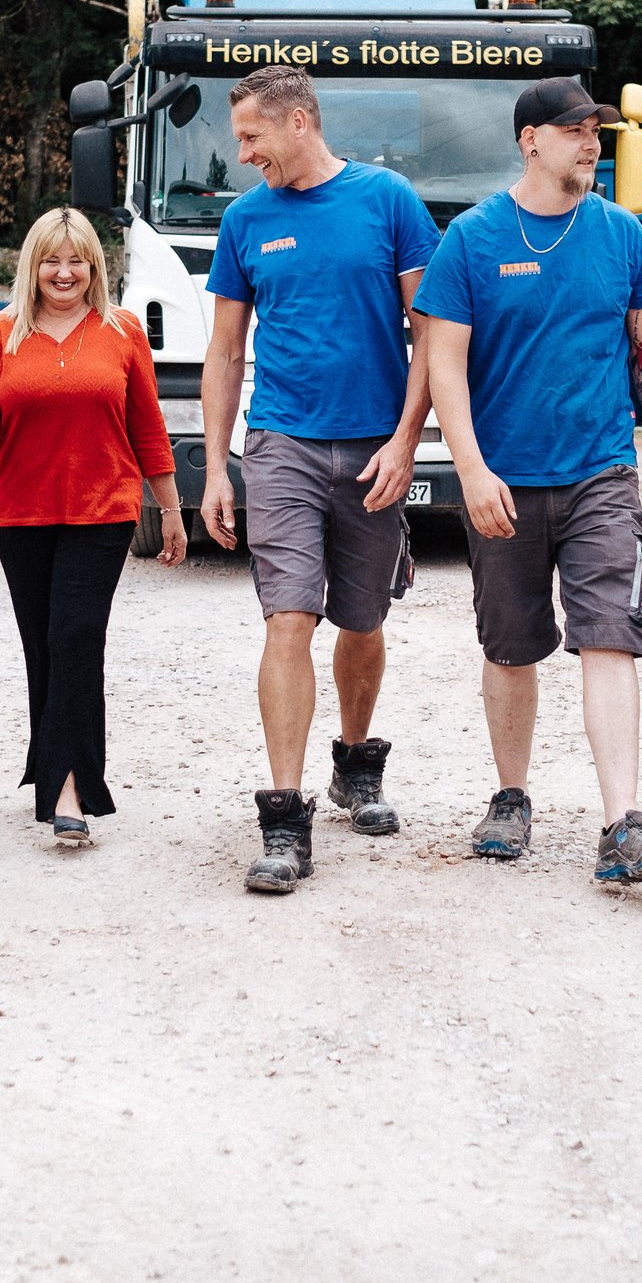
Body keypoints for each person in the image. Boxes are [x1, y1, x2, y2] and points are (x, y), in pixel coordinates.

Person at [414, 74, 642, 886]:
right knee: (511, 645)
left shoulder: (622, 236)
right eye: (574, 130)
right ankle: (510, 797)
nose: (590, 141)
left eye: (595, 131)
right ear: (529, 140)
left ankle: (623, 825)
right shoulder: (471, 238)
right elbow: (444, 362)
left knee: (610, 634)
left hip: (601, 472)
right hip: (504, 476)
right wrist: (469, 467)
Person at [198, 64, 439, 894]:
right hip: (282, 447)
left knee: (363, 620)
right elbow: (227, 350)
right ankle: (284, 815)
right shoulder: (246, 221)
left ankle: (356, 762)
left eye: (251, 137)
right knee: (288, 619)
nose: (244, 155)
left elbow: (430, 333)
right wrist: (218, 465)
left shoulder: (389, 202)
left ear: (298, 122)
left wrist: (408, 441)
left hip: (373, 446)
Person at [0, 207, 185, 845]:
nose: (64, 273)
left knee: (75, 637)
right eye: (51, 260)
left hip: (103, 509)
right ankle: (50, 761)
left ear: (94, 266)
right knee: (42, 645)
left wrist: (169, 509)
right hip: (23, 514)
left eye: (77, 259)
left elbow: (147, 427)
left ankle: (70, 789)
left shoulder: (122, 331)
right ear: (33, 265)